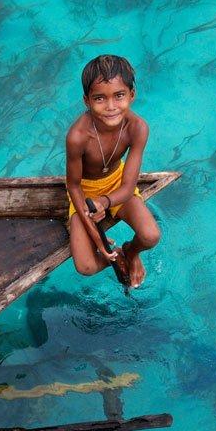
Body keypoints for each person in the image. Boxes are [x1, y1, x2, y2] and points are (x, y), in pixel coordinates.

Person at [66, 54, 161, 288]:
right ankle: (117, 255)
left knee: (151, 236)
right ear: (86, 100)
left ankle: (131, 251)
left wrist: (105, 202)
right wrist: (99, 242)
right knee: (86, 267)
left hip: (117, 186)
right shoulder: (78, 137)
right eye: (100, 98)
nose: (111, 107)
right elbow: (73, 186)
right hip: (85, 194)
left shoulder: (137, 128)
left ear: (132, 94)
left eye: (119, 96)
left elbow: (128, 186)